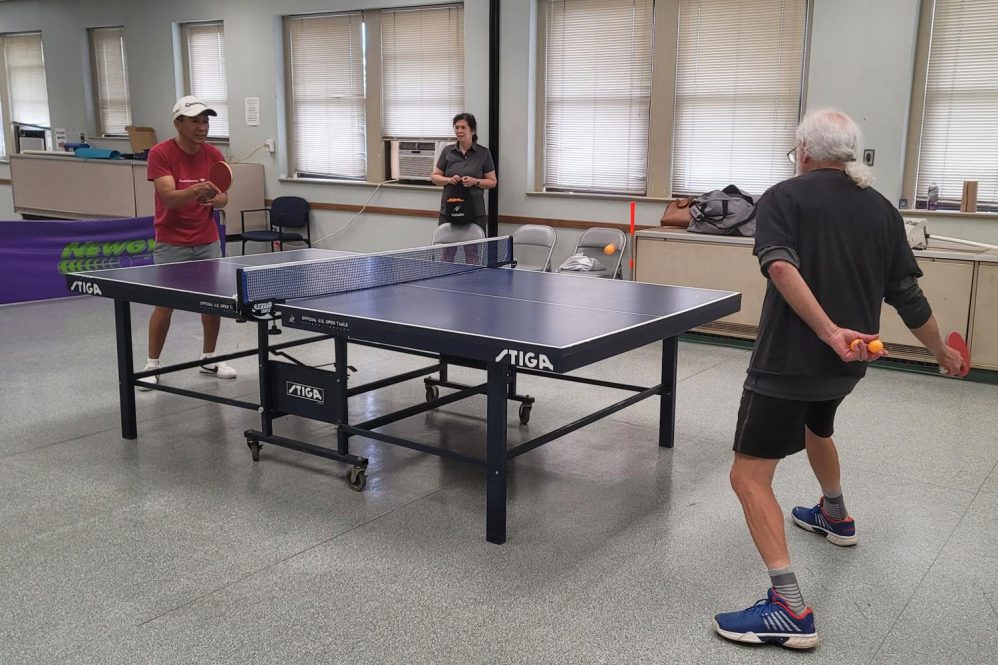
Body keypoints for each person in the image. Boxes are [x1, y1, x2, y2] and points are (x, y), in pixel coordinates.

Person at [712, 109, 965, 649]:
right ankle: (834, 513)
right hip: (850, 364)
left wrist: (827, 330)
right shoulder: (880, 209)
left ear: (804, 149)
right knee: (816, 428)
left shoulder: (784, 196)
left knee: (748, 476)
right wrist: (940, 350)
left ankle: (789, 610)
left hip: (789, 363)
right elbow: (908, 294)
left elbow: (780, 267)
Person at [139, 95, 237, 389]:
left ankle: (209, 359)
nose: (202, 127)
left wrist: (216, 198)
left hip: (207, 240)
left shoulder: (213, 155)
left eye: (205, 121)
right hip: (171, 241)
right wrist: (197, 190)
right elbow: (169, 198)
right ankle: (151, 365)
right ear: (178, 124)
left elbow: (223, 197)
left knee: (212, 303)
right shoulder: (160, 154)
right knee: (164, 304)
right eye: (195, 121)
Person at [431, 112, 497, 262]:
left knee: (472, 255)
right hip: (450, 209)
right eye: (456, 127)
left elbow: (492, 182)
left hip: (474, 211)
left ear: (472, 130)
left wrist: (475, 181)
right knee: (447, 254)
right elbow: (435, 177)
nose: (459, 131)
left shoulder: (483, 153)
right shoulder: (448, 152)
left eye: (463, 127)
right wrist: (448, 179)